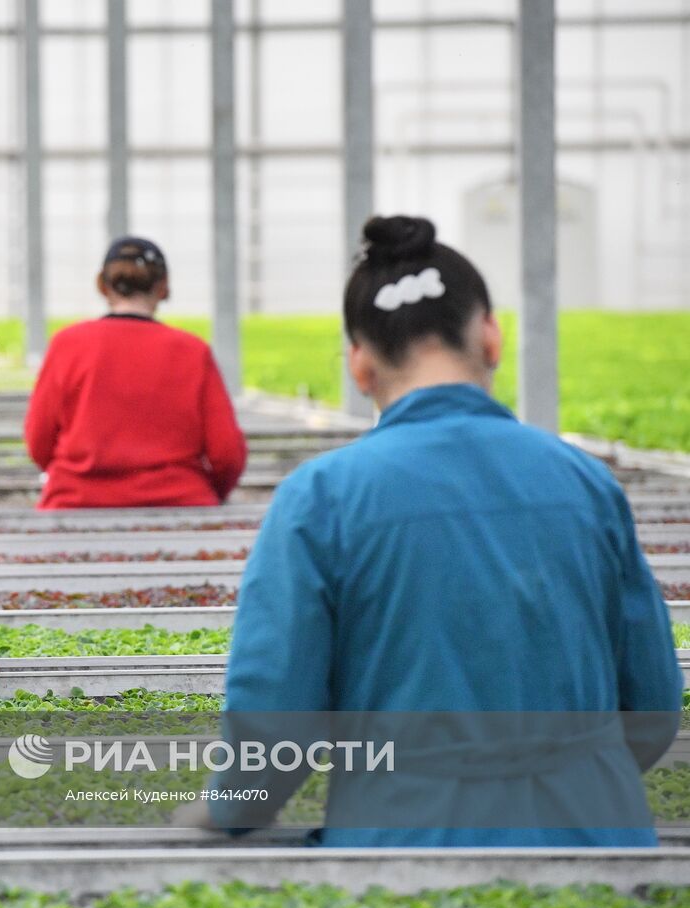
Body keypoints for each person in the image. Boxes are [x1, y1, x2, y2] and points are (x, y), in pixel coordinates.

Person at [204, 215, 682, 845]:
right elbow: (650, 706)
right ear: (490, 337)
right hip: (601, 839)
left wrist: (230, 810)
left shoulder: (321, 499)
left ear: (359, 365)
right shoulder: (583, 483)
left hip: (400, 850)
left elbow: (273, 726)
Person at [23, 236, 247, 509]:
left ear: (102, 286)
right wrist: (208, 494)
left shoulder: (67, 345)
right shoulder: (193, 351)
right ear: (163, 287)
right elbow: (226, 453)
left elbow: (38, 441)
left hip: (77, 503)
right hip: (180, 504)